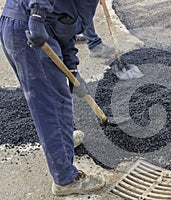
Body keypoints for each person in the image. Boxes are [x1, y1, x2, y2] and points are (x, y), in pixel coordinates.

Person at [0, 0, 105, 196]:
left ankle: (61, 143)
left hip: (26, 24)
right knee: (53, 105)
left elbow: (66, 30)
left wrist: (72, 69)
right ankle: (65, 178)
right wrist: (38, 14)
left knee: (54, 98)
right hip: (30, 28)